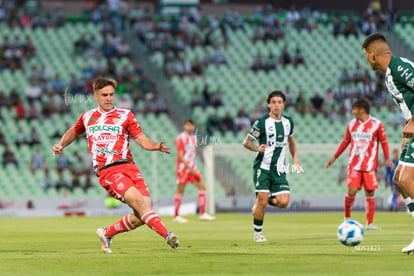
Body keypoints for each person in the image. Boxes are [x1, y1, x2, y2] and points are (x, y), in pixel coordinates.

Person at [53, 78, 179, 253]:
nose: (109, 98)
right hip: (108, 171)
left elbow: (141, 139)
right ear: (95, 96)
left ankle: (107, 233)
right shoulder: (88, 117)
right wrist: (61, 144)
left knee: (142, 215)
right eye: (104, 95)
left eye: (111, 94)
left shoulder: (126, 115)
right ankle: (168, 235)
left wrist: (155, 146)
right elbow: (73, 131)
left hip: (130, 167)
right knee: (140, 204)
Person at [362, 33, 414, 253]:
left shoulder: (399, 67)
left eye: (366, 55)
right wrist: (406, 132)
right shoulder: (390, 74)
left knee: (405, 178)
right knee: (399, 181)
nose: (366, 60)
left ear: (372, 55)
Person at [326, 99, 392, 230]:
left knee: (370, 192)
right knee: (352, 191)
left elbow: (383, 142)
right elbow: (345, 141)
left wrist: (387, 158)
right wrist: (334, 157)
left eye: (354, 109)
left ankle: (370, 223)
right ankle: (346, 219)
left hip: (369, 166)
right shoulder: (351, 124)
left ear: (362, 110)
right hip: (354, 165)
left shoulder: (377, 124)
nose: (352, 111)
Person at [243, 91, 300, 242]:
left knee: (284, 202)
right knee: (262, 201)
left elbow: (291, 141)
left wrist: (296, 161)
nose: (276, 105)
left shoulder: (288, 122)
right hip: (263, 167)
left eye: (279, 102)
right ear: (269, 104)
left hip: (279, 169)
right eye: (273, 102)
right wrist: (257, 148)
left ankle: (259, 203)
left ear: (283, 104)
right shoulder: (261, 122)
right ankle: (258, 234)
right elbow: (246, 142)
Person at [173, 119, 215, 223]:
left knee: (202, 187)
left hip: (192, 167)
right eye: (187, 125)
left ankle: (202, 213)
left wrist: (193, 167)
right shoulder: (180, 138)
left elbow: (192, 154)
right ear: (184, 126)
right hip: (183, 168)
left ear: (193, 126)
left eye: (191, 125)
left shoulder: (194, 138)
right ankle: (176, 216)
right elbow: (181, 156)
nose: (189, 127)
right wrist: (189, 167)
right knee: (180, 190)